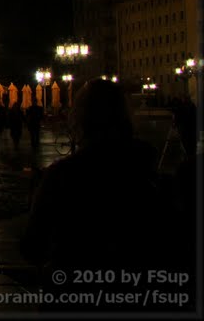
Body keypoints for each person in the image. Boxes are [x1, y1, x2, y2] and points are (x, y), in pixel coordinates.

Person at [21, 79, 175, 310]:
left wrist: (34, 198)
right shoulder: (148, 170)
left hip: (74, 294)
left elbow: (32, 247)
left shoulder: (63, 175)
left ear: (79, 119)